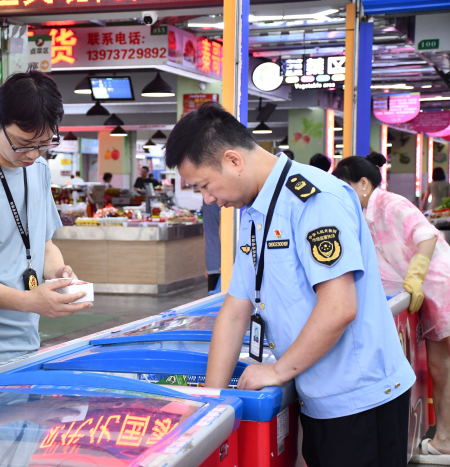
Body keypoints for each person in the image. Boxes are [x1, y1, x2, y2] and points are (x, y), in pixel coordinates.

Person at [165, 102, 415, 467]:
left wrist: (276, 371)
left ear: (234, 160)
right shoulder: (253, 212)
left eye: (204, 185)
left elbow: (339, 307)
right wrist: (211, 405)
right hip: (319, 395)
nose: (208, 199)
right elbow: (235, 312)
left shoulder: (314, 199)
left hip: (361, 400)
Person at [0, 71, 92, 364]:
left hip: (28, 335)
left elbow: (45, 244)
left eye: (44, 144)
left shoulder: (38, 170)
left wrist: (60, 275)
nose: (32, 154)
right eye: (22, 143)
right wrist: (30, 301)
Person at [333, 154, 450, 463]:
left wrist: (416, 273)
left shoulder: (391, 204)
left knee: (444, 367)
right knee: (441, 369)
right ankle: (444, 439)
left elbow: (425, 237)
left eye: (343, 186)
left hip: (438, 283)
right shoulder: (362, 214)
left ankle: (445, 439)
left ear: (362, 184)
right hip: (425, 291)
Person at [202, 201, 221, 294]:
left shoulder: (206, 202)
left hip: (212, 260)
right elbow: (223, 230)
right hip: (221, 261)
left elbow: (205, 233)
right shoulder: (222, 199)